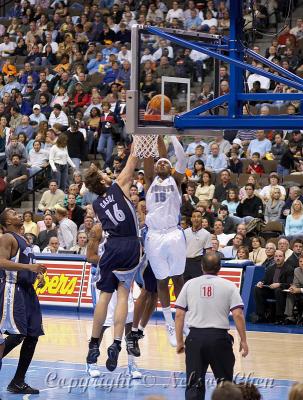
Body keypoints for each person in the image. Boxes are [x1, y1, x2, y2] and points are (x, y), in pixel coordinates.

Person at [85, 145, 140, 372]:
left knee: (104, 298)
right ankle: (117, 342)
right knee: (124, 295)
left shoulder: (96, 204)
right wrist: (139, 136)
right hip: (130, 245)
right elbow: (134, 158)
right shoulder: (119, 186)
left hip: (112, 247)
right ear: (103, 180)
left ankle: (93, 344)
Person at [175, 253, 248, 400]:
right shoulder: (229, 286)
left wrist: (179, 341)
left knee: (194, 385)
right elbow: (238, 315)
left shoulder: (189, 284)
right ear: (220, 268)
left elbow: (179, 315)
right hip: (219, 339)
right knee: (226, 387)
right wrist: (244, 340)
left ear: (201, 267)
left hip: (195, 339)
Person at [144, 136, 187, 346]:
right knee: (161, 281)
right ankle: (169, 323)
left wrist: (171, 138)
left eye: (165, 163)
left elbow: (182, 160)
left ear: (170, 169)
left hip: (173, 233)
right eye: (159, 162)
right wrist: (150, 138)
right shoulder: (149, 181)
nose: (161, 163)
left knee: (178, 278)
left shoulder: (175, 180)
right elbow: (148, 159)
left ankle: (182, 318)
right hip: (154, 235)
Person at [0, 208, 46, 394]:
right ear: (7, 222)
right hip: (13, 289)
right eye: (12, 212)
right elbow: (1, 262)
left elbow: (28, 268)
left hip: (28, 291)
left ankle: (18, 381)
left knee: (33, 335)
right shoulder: (7, 238)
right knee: (17, 334)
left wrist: (37, 275)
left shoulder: (24, 239)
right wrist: (29, 267)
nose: (17, 213)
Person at [254, 250, 294, 324]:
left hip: (283, 292)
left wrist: (279, 284)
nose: (278, 258)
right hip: (271, 290)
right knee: (257, 289)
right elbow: (265, 280)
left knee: (278, 290)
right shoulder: (270, 268)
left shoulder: (289, 269)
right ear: (274, 258)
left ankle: (279, 317)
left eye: (280, 256)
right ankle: (261, 315)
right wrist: (261, 282)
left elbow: (290, 284)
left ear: (284, 258)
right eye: (276, 256)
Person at [183, 210, 212, 281]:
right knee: (184, 286)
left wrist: (206, 266)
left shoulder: (206, 234)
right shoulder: (184, 232)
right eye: (194, 217)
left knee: (198, 286)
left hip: (198, 262)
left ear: (202, 219)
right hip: (185, 262)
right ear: (191, 219)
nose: (196, 218)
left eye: (198, 217)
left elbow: (208, 252)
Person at [284, 254, 303, 325]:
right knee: (290, 293)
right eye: (300, 261)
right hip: (300, 291)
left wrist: (299, 290)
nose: (302, 263)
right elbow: (296, 283)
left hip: (301, 290)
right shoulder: (297, 270)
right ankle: (289, 317)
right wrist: (293, 287)